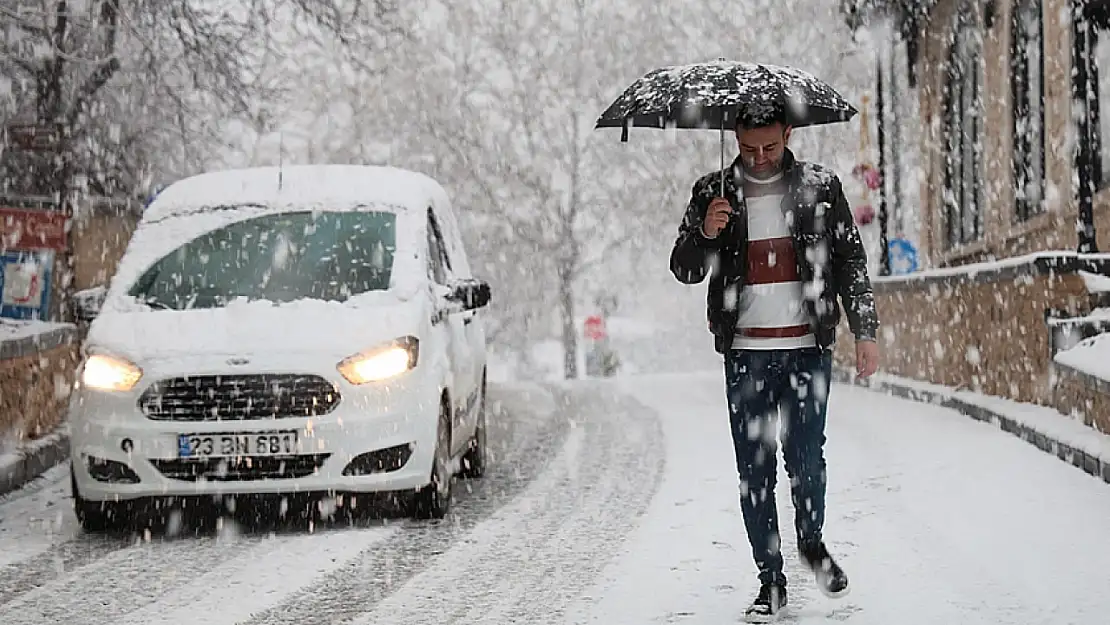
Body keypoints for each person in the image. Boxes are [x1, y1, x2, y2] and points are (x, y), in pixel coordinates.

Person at [669, 104, 880, 622]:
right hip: (745, 355)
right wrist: (706, 233)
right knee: (754, 470)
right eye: (748, 149)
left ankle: (812, 542)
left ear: (788, 134)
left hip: (808, 349)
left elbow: (850, 260)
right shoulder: (711, 193)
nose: (760, 158)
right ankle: (771, 581)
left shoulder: (821, 188)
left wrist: (865, 330)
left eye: (770, 147)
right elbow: (684, 268)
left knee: (807, 460)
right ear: (734, 139)